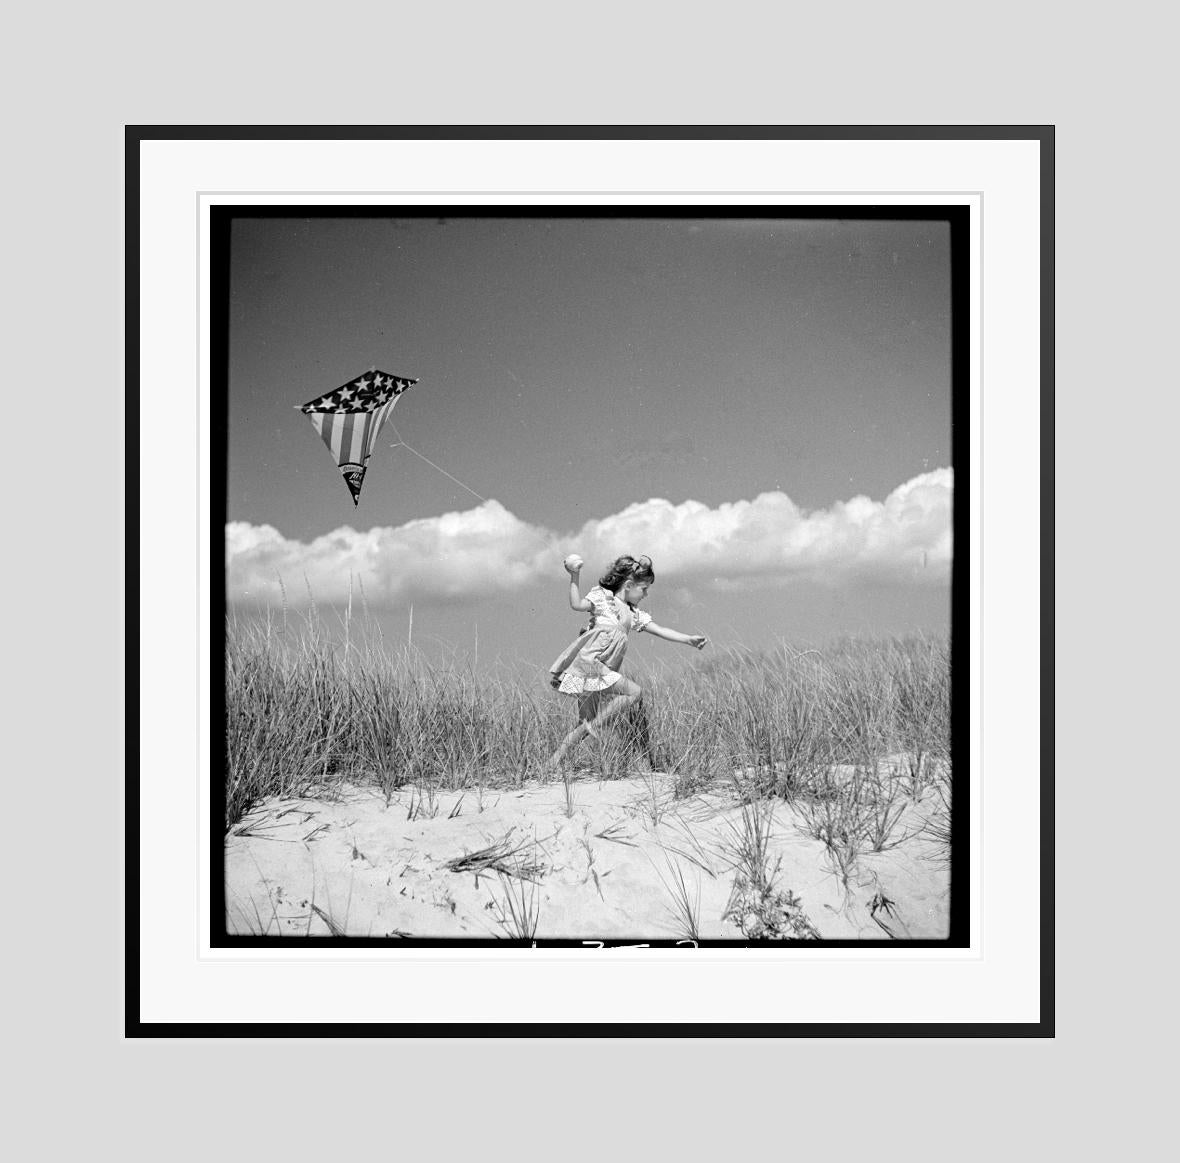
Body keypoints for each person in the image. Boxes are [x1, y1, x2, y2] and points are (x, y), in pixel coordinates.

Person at [547, 554, 708, 769]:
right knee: (634, 692)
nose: (646, 594)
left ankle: (551, 764)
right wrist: (574, 576)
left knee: (583, 722)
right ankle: (592, 727)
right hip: (590, 664)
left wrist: (688, 639)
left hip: (601, 668)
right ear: (629, 584)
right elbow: (576, 604)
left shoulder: (633, 614)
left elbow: (660, 630)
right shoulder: (603, 600)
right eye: (644, 589)